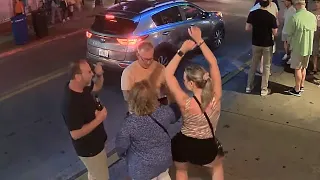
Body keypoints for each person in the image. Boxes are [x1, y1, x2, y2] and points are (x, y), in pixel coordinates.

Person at [165, 26, 224, 180]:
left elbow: (168, 73)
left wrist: (182, 50)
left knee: (181, 171)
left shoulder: (185, 102)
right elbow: (213, 63)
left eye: (184, 79)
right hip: (206, 146)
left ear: (191, 84)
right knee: (217, 167)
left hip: (183, 144)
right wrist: (200, 40)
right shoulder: (216, 97)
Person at [116, 80, 179, 180]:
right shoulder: (163, 113)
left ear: (133, 99)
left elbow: (120, 147)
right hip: (163, 161)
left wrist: (125, 157)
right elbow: (176, 109)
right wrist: (168, 93)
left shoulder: (129, 123)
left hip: (142, 170)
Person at [62, 60, 109, 180]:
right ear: (77, 77)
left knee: (94, 174)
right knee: (101, 177)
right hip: (90, 150)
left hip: (97, 143)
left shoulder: (82, 86)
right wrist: (99, 119)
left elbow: (97, 86)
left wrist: (99, 75)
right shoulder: (71, 103)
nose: (92, 74)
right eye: (89, 72)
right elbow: (75, 134)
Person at [246, 0, 278, 96]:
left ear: (259, 4)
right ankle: (264, 89)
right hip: (267, 44)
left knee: (253, 64)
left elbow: (247, 28)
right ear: (269, 4)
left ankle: (248, 86)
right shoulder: (271, 17)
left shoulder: (253, 14)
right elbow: (275, 32)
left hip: (256, 43)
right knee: (266, 66)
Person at [285, 0, 317, 96]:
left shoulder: (294, 17)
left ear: (297, 5)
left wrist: (289, 45)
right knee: (304, 67)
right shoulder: (312, 16)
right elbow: (314, 30)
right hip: (308, 47)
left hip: (298, 47)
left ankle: (297, 89)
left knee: (297, 69)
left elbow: (289, 34)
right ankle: (302, 86)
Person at [311, 0, 320, 75]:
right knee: (315, 50)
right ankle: (314, 67)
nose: (316, 4)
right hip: (315, 32)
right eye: (316, 2)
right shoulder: (312, 13)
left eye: (318, 2)